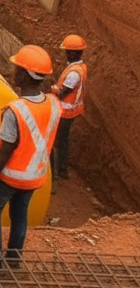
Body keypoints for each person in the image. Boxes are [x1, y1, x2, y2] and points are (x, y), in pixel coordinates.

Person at [0, 45, 61, 269]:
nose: (13, 71)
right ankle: (14, 260)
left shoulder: (16, 110)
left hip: (10, 176)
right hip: (35, 176)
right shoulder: (54, 105)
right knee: (20, 215)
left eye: (16, 68)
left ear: (24, 75)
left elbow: (6, 149)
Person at [50, 34, 88, 183]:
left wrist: (51, 89)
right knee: (63, 140)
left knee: (57, 141)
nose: (66, 53)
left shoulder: (73, 73)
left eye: (68, 51)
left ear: (73, 52)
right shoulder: (80, 68)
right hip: (71, 111)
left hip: (65, 112)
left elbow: (62, 93)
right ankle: (62, 169)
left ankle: (57, 171)